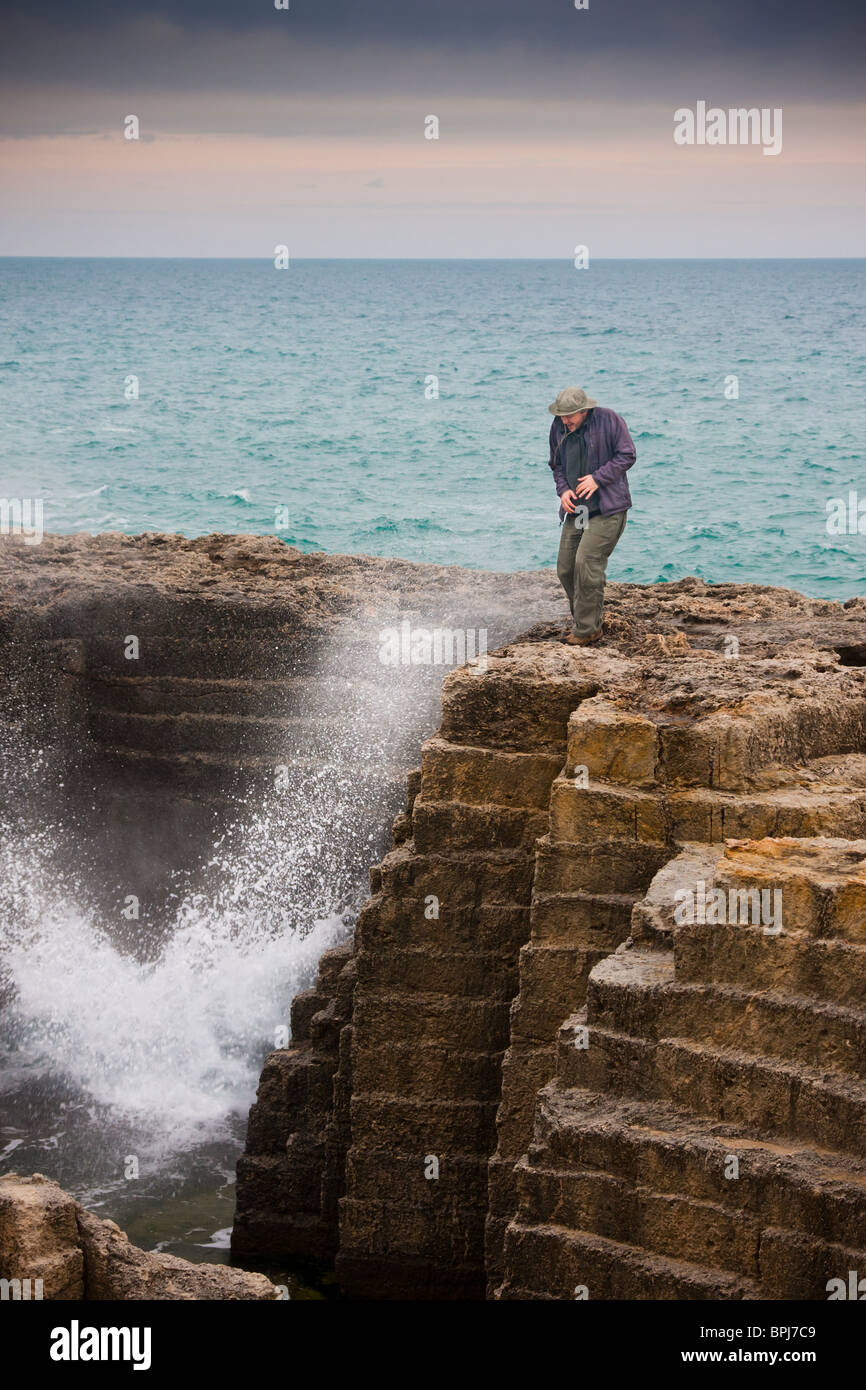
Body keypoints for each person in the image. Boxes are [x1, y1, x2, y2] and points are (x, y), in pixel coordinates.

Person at [547, 387, 636, 647]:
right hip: (578, 510)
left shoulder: (609, 420)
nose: (565, 420)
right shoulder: (558, 427)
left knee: (586, 562)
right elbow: (556, 465)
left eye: (570, 416)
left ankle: (587, 630)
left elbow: (627, 455)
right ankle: (585, 621)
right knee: (566, 568)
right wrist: (563, 490)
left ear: (584, 411)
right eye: (561, 416)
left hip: (608, 508)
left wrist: (598, 478)